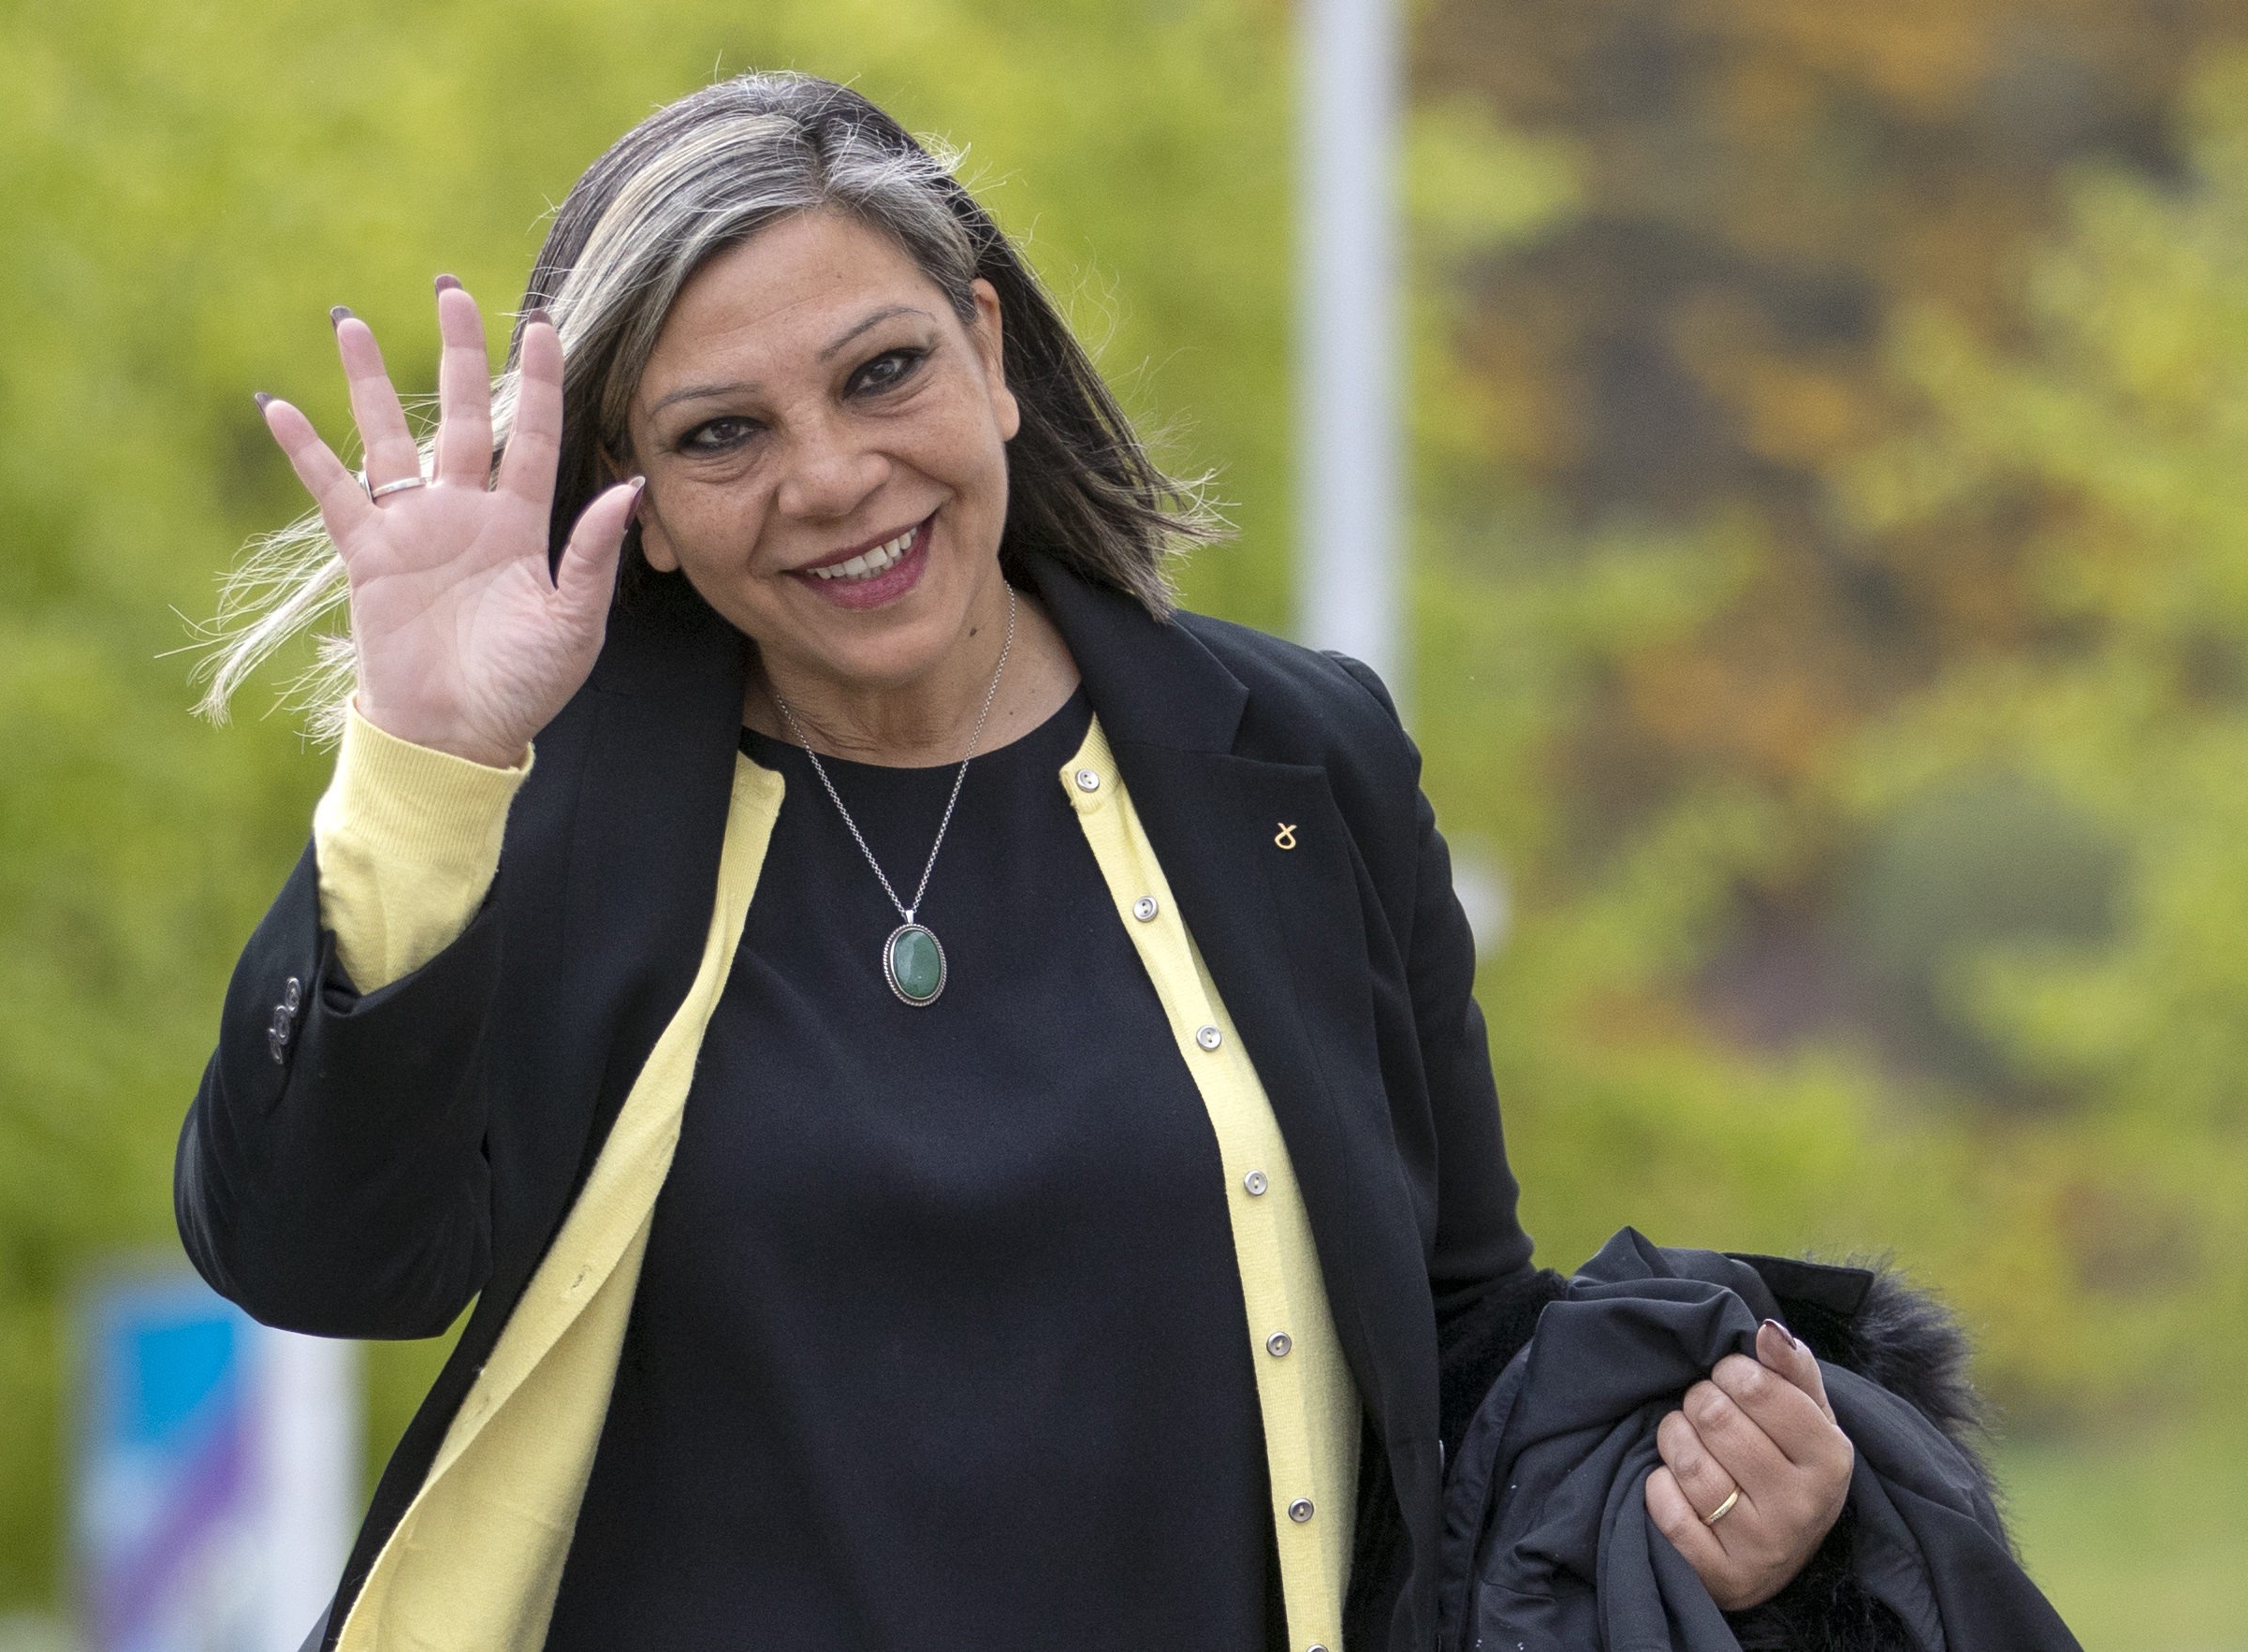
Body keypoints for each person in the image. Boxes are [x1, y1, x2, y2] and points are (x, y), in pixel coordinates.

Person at [179, 73, 1858, 1652]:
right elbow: (321, 1263)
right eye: (720, 436)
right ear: (640, 499)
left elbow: (1453, 1338)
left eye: (880, 372)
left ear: (989, 352)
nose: (831, 478)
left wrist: (1719, 1510)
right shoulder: (539, 808)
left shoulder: (1301, 762)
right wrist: (427, 757)